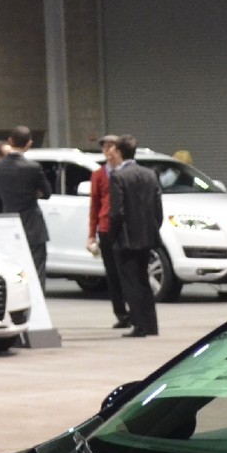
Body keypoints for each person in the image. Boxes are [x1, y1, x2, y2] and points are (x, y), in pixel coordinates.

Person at [108, 132, 164, 338]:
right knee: (143, 280)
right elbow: (157, 208)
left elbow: (117, 212)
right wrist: (153, 227)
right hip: (147, 235)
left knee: (131, 282)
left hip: (126, 238)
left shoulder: (118, 176)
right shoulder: (150, 174)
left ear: (119, 151)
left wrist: (112, 235)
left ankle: (139, 325)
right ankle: (151, 325)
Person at [0, 126, 51, 281]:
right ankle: (35, 297)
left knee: (15, 272)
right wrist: (34, 193)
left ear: (10, 141)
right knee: (36, 271)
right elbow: (47, 193)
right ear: (29, 143)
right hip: (32, 226)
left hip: (9, 225)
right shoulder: (33, 167)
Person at [88, 133, 129, 328]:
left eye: (111, 146)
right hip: (106, 227)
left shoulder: (127, 171)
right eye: (105, 147)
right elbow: (94, 205)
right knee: (112, 273)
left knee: (127, 272)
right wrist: (91, 234)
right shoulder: (98, 175)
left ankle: (134, 310)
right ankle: (121, 314)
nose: (108, 151)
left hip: (126, 227)